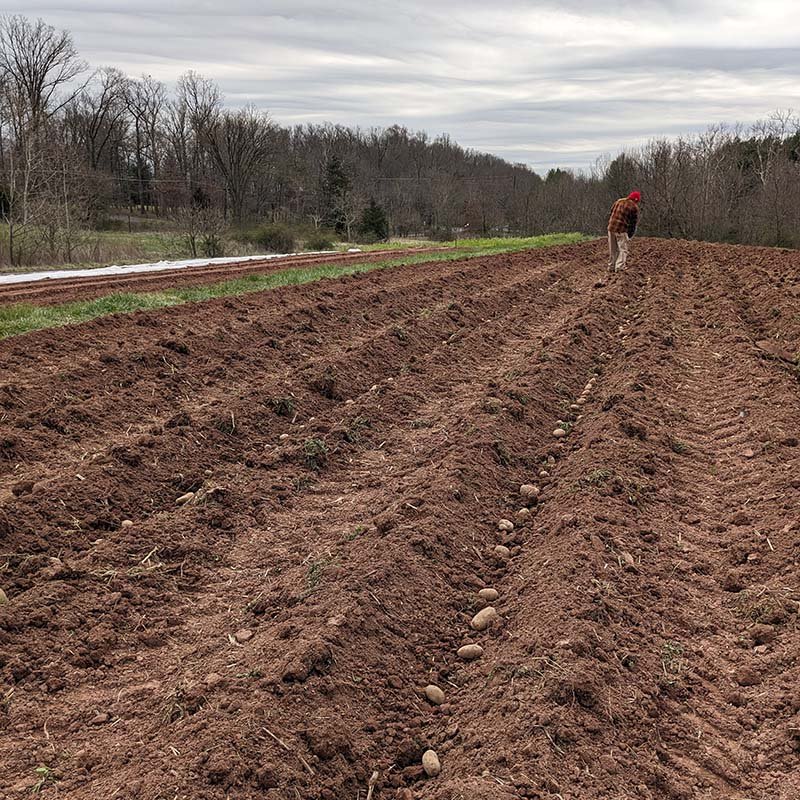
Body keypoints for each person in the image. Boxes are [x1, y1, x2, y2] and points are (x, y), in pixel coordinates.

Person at [607, 190, 641, 272]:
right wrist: (630, 235)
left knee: (613, 249)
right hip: (621, 229)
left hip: (611, 228)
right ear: (636, 200)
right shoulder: (633, 207)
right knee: (623, 249)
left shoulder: (619, 201)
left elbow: (611, 212)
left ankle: (611, 266)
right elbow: (633, 223)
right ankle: (619, 267)